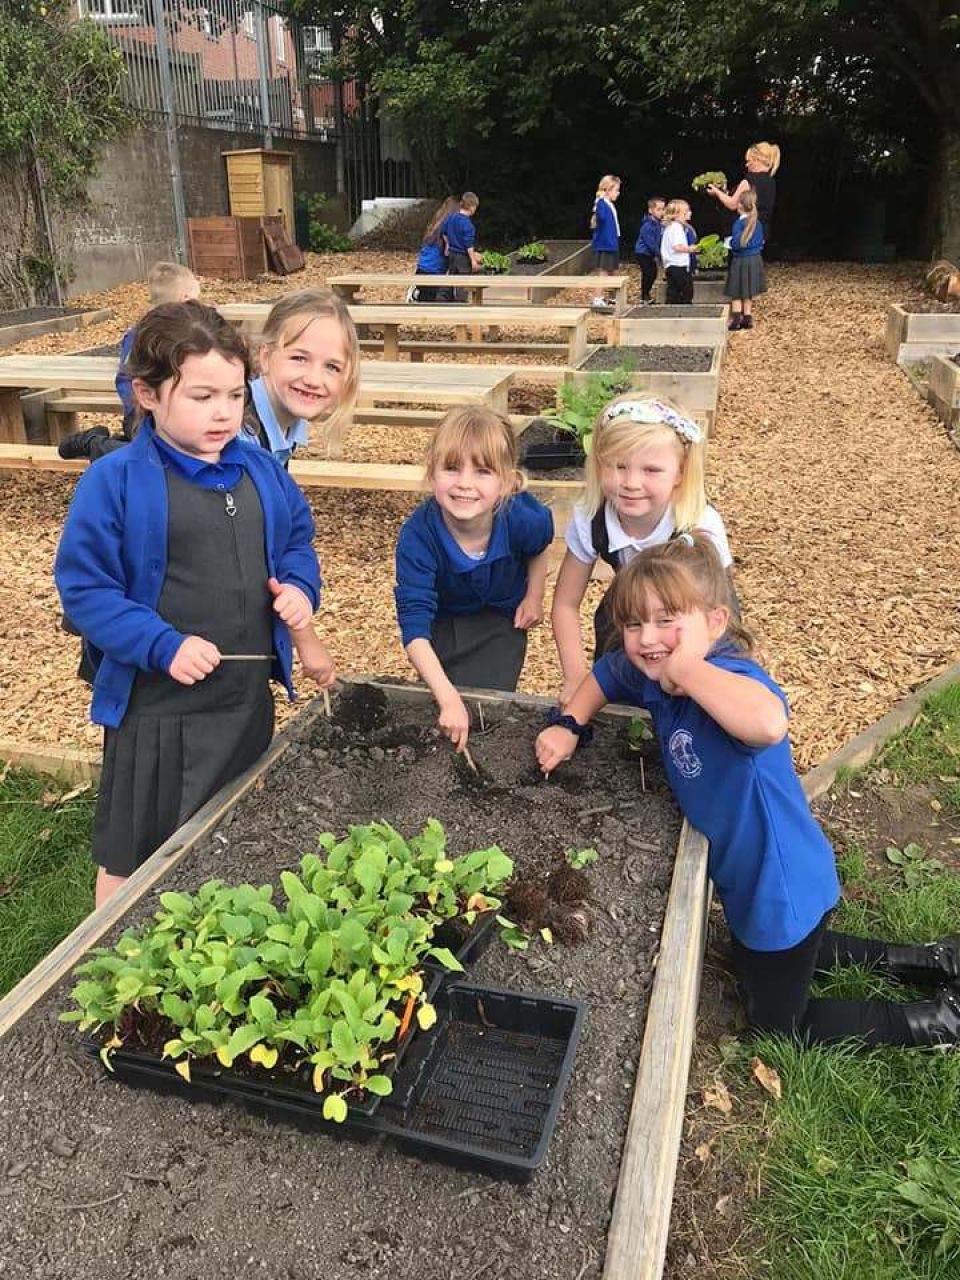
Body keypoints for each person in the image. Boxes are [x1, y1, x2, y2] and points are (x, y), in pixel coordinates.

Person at [537, 533, 960, 1049]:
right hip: (757, 879)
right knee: (800, 950)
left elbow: (766, 723)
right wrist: (569, 724)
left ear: (715, 624)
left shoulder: (726, 677)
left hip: (776, 883)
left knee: (778, 1026)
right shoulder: (650, 671)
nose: (648, 638)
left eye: (668, 621)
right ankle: (933, 961)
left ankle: (938, 1020)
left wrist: (688, 669)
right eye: (633, 623)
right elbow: (606, 673)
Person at [55, 301, 331, 910]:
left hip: (243, 702)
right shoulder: (115, 481)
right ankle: (115, 959)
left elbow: (296, 539)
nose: (223, 413)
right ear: (147, 394)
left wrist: (298, 589)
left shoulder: (261, 469)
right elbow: (85, 589)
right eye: (202, 397)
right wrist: (163, 644)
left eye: (235, 396)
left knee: (229, 843)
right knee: (134, 854)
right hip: (157, 714)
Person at [551, 393, 732, 708]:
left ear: (680, 473)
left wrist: (687, 671)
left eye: (651, 470)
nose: (631, 482)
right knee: (616, 692)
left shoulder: (700, 524)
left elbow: (721, 613)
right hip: (628, 613)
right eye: (619, 466)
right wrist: (575, 675)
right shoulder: (592, 516)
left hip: (691, 619)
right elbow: (566, 603)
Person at [394, 405, 554, 753]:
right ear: (432, 472)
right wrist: (448, 698)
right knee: (442, 698)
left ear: (507, 482)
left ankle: (481, 753)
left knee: (487, 704)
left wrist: (534, 597)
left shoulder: (524, 517)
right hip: (445, 616)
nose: (465, 483)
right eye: (452, 468)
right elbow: (414, 627)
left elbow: (540, 547)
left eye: (483, 471)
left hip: (501, 616)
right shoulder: (418, 537)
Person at [58, 261, 201, 461]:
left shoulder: (188, 333)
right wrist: (144, 412)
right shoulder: (142, 335)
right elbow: (126, 381)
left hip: (176, 413)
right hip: (142, 416)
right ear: (184, 299)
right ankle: (95, 444)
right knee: (157, 458)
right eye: (196, 300)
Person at [245, 287, 360, 468]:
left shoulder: (287, 426)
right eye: (299, 358)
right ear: (266, 357)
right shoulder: (237, 437)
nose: (313, 380)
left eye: (332, 367)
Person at [706, 141, 780, 240]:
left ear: (757, 160)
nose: (746, 165)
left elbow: (733, 204)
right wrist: (725, 192)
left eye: (749, 161)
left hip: (742, 232)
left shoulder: (750, 180)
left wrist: (717, 192)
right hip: (760, 232)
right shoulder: (770, 181)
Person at [724, 190, 766, 331]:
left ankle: (736, 320)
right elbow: (761, 241)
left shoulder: (738, 223)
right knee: (748, 290)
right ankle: (747, 318)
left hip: (741, 260)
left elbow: (736, 243)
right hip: (755, 259)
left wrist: (728, 244)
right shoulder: (757, 223)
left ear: (740, 206)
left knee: (736, 290)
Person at [408, 197, 458, 303]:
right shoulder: (448, 228)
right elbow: (449, 252)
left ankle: (417, 294)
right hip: (433, 276)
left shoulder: (435, 226)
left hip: (421, 271)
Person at [590, 174, 622, 312]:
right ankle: (597, 298)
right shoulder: (602, 203)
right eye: (616, 190)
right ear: (607, 190)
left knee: (614, 270)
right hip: (605, 244)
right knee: (603, 272)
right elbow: (601, 217)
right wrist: (600, 199)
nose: (618, 193)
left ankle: (614, 297)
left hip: (611, 243)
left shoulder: (609, 204)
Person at [441, 192, 481, 301]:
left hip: (452, 256)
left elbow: (443, 232)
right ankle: (461, 306)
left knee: (450, 281)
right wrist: (473, 261)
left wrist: (448, 245)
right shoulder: (468, 225)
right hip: (462, 259)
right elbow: (468, 245)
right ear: (472, 207)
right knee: (462, 286)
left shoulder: (451, 217)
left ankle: (444, 303)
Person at [660, 200, 699, 305]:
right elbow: (677, 246)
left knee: (673, 291)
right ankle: (684, 311)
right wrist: (690, 249)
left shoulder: (670, 227)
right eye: (686, 211)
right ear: (677, 214)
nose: (690, 213)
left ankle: (671, 311)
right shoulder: (676, 227)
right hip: (678, 265)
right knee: (686, 291)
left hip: (670, 265)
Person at [633, 196, 666, 305]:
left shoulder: (659, 224)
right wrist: (660, 254)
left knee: (652, 273)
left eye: (663, 209)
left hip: (650, 253)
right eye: (659, 209)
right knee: (648, 273)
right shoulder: (647, 225)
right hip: (643, 252)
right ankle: (644, 296)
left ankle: (646, 294)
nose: (661, 212)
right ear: (651, 211)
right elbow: (650, 243)